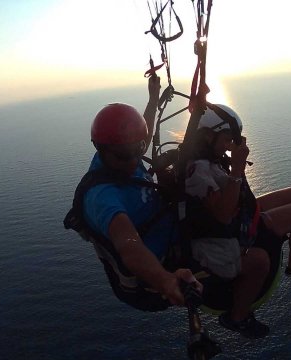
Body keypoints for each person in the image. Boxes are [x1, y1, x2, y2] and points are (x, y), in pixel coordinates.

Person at [184, 104, 291, 337]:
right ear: (208, 136)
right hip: (227, 229)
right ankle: (240, 315)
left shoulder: (210, 158)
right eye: (226, 139)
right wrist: (237, 168)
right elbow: (222, 215)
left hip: (239, 214)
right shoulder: (198, 172)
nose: (229, 145)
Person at [67, 75, 202, 311]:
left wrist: (153, 98)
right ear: (100, 149)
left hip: (171, 235)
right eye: (123, 155)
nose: (133, 161)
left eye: (137, 150)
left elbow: (143, 135)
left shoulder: (120, 156)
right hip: (155, 273)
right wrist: (166, 281)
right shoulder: (103, 197)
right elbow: (129, 245)